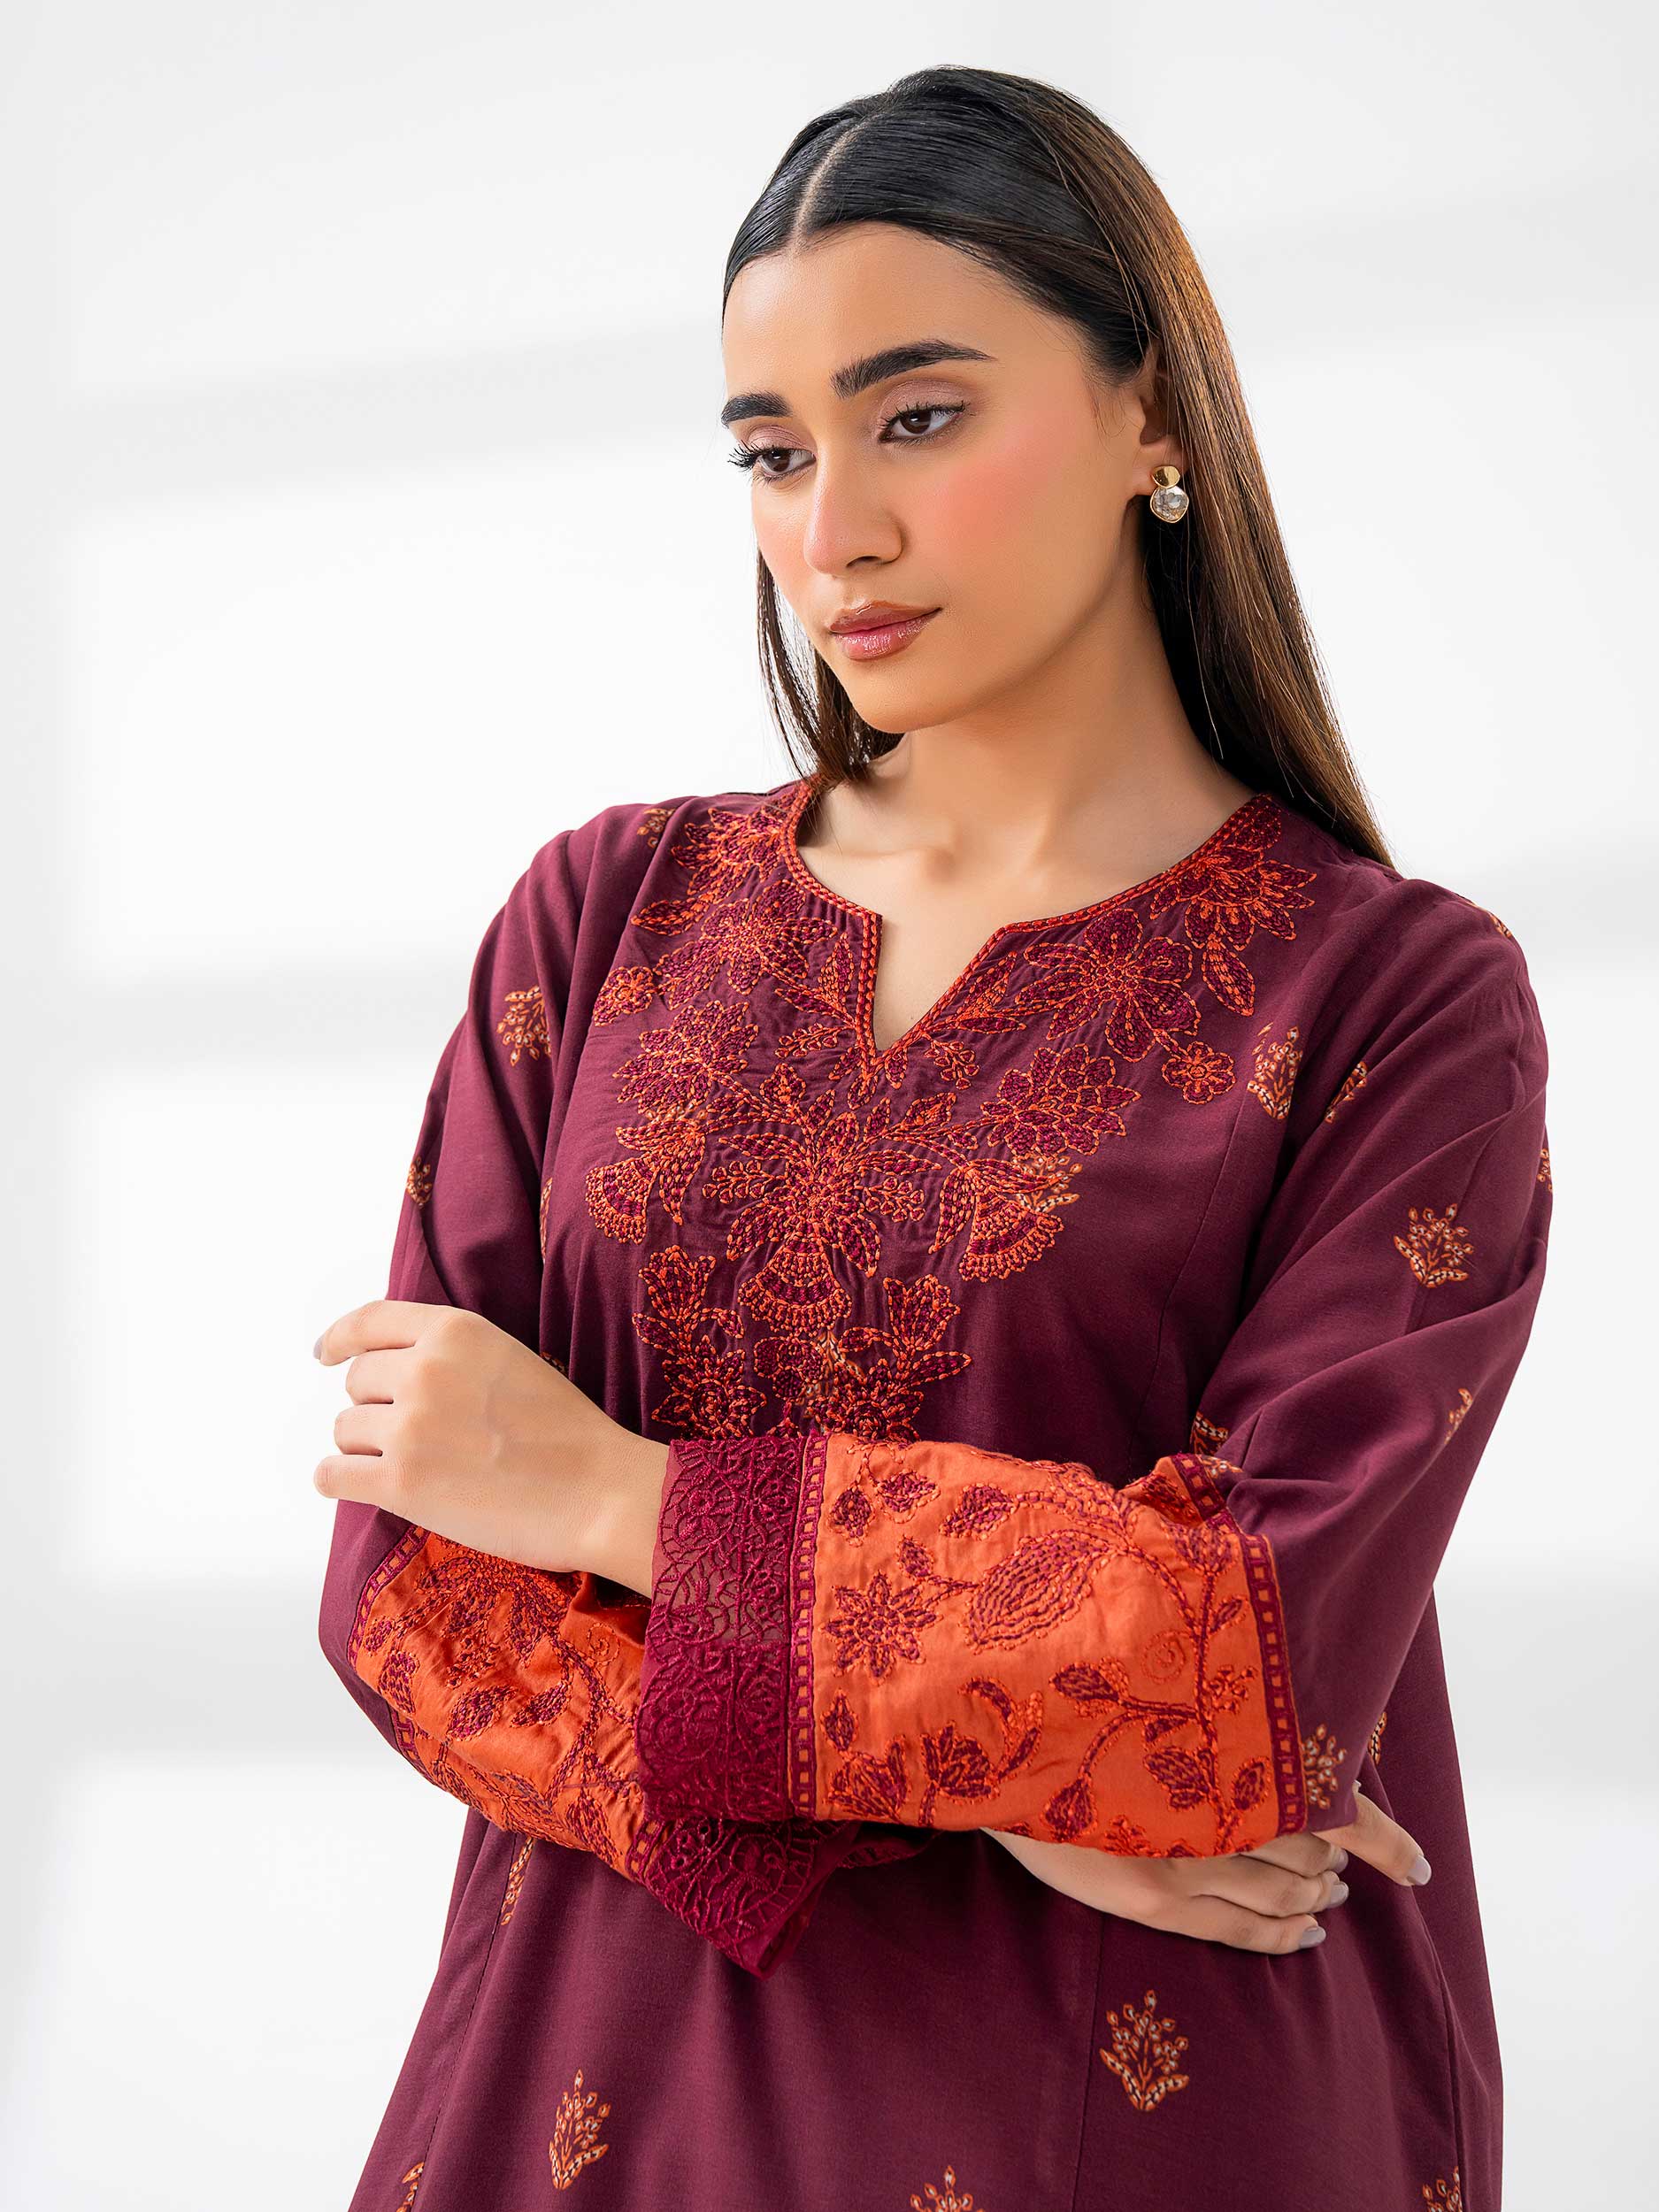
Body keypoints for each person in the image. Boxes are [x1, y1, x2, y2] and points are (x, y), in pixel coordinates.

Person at [312, 64, 1551, 2212]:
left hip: (1135, 2111)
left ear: (1149, 411)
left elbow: (1231, 1657)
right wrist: (994, 1786)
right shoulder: (603, 919)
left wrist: (610, 1492)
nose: (833, 534)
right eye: (772, 451)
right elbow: (411, 1582)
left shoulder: (1386, 997)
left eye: (916, 417)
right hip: (583, 2088)